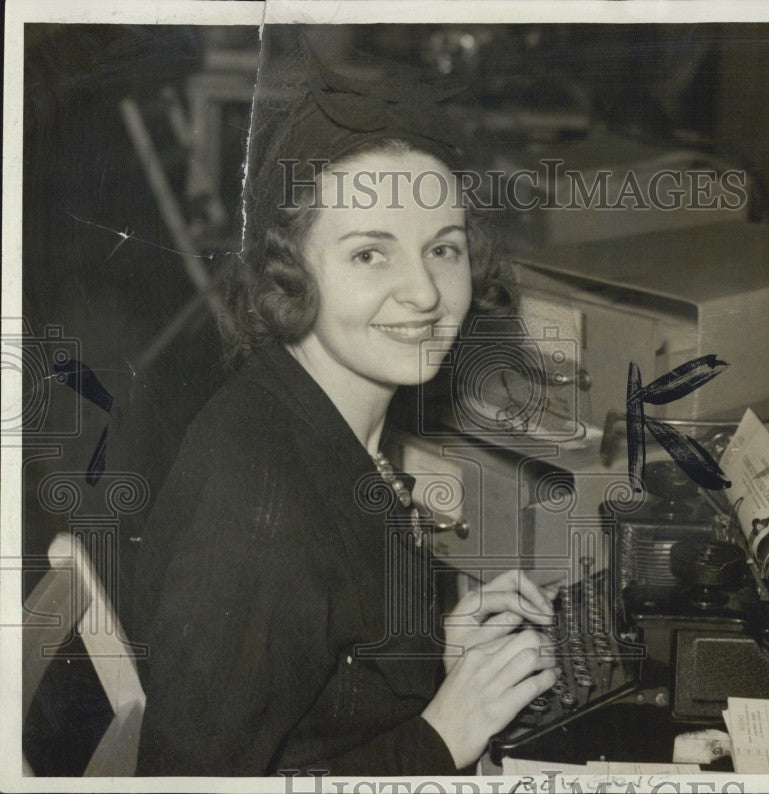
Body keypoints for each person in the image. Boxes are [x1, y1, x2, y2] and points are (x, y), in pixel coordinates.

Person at [131, 42, 558, 776]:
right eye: (371, 254)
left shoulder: (319, 413)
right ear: (289, 270)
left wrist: (430, 654)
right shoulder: (262, 521)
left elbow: (323, 668)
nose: (424, 293)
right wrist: (442, 734)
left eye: (444, 249)